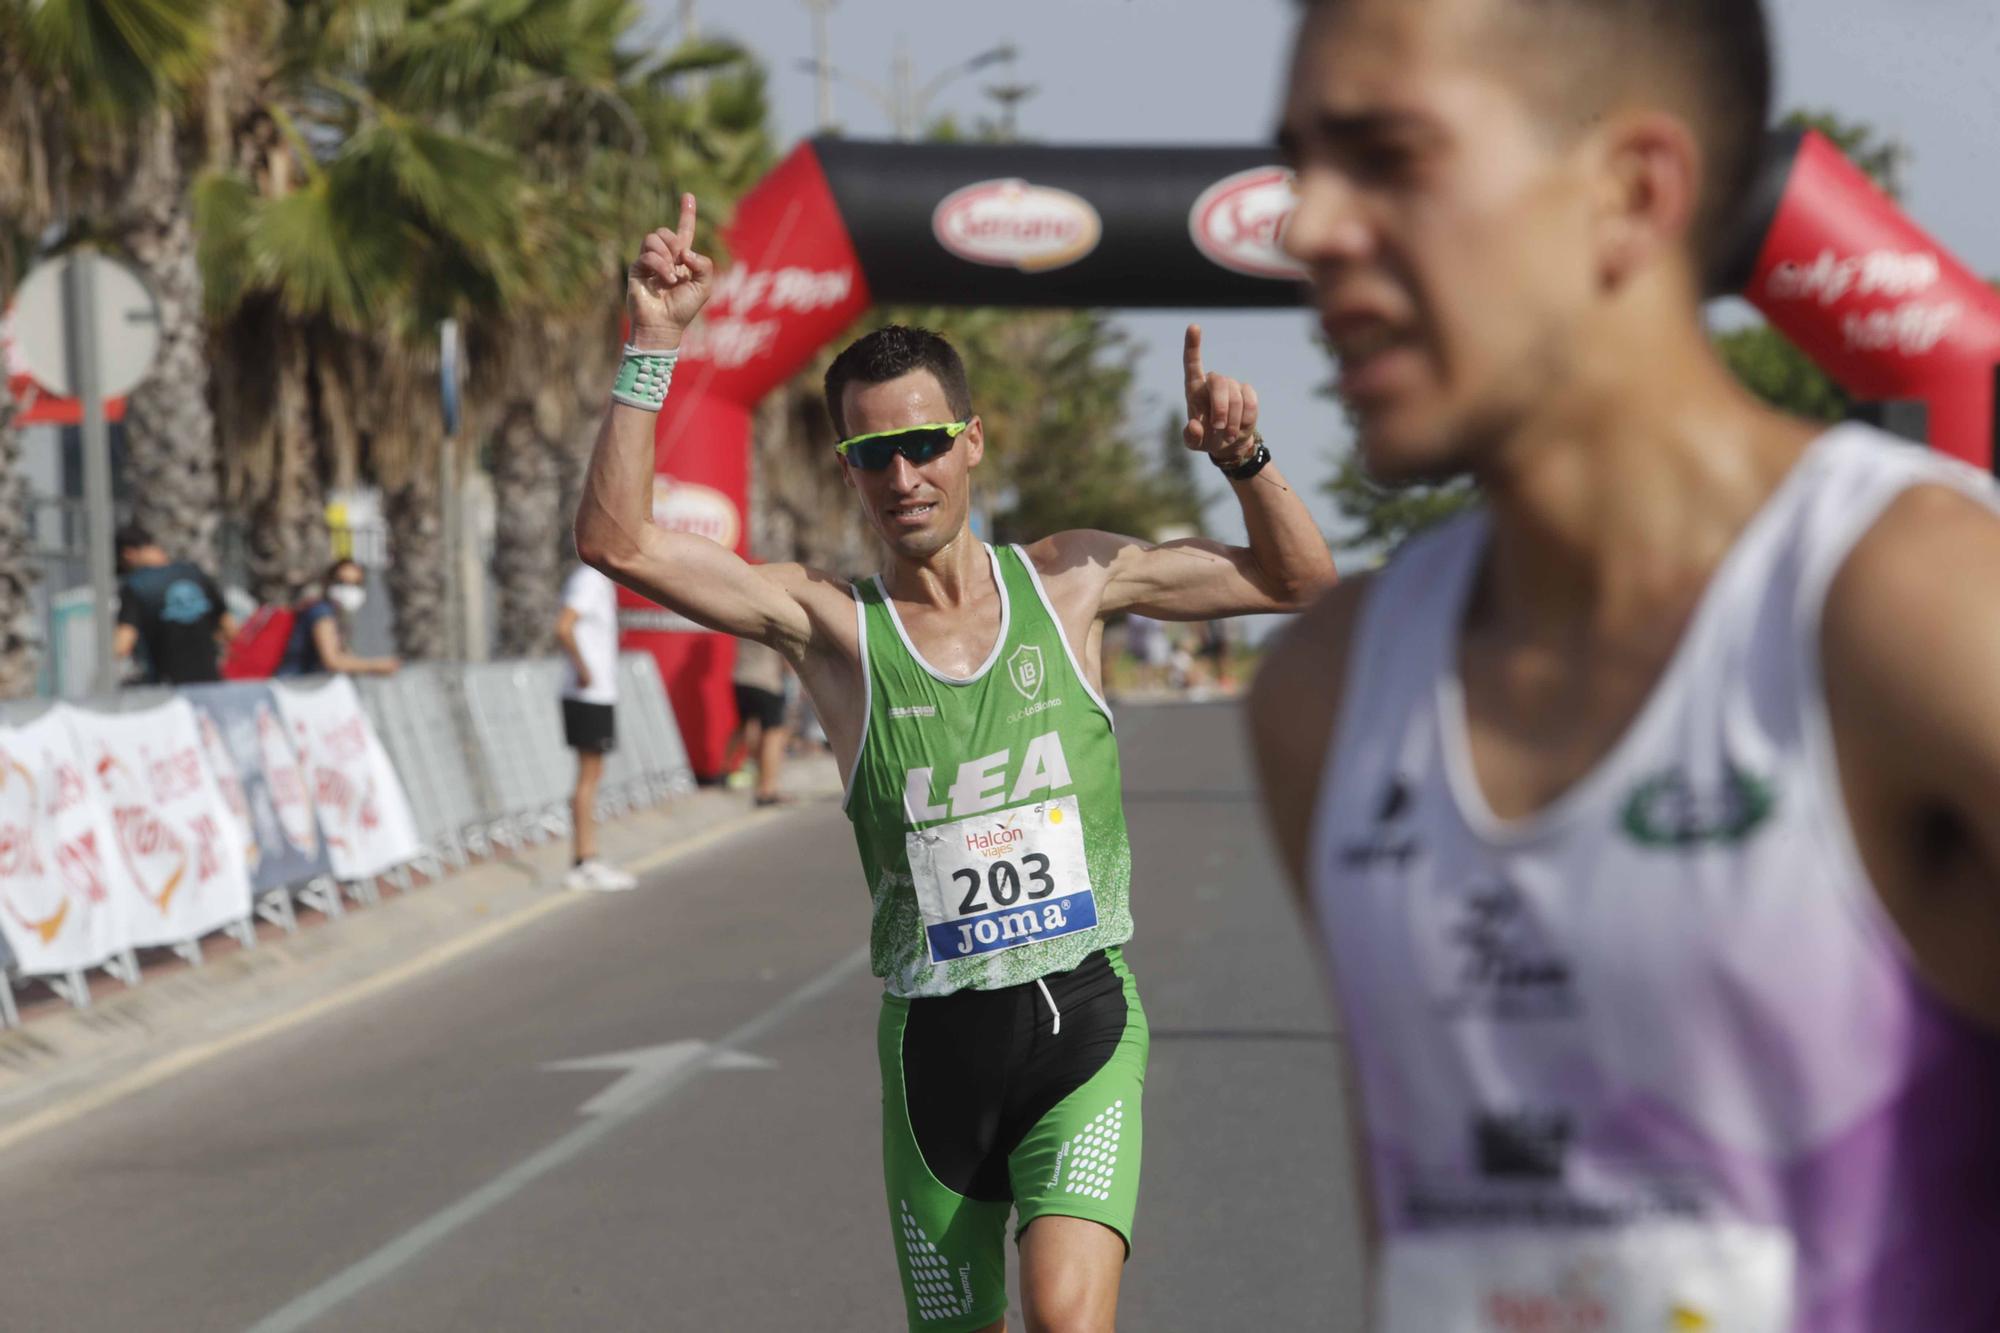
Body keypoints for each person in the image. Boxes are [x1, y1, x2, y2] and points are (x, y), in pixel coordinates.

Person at [1248, 1, 2000, 1328]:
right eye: (1301, 161)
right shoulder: (1325, 694)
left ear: (1631, 192)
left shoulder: (1916, 611)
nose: (1306, 226)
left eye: (1386, 155)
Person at [575, 196, 1336, 1333]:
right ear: (848, 469)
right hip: (935, 1049)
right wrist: (652, 347)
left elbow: (1296, 585)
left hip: (1083, 1016)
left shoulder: (1071, 581)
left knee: (1068, 1321)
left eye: (924, 443)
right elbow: (617, 543)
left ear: (970, 443)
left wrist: (1245, 460)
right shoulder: (830, 626)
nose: (903, 475)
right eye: (871, 453)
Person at [555, 561, 637, 892]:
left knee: (593, 775)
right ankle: (584, 861)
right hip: (587, 693)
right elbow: (563, 626)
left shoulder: (600, 582)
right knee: (588, 778)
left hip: (597, 693)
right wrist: (583, 668)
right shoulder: (589, 579)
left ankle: (587, 857)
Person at [113, 523, 237, 685]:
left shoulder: (135, 585)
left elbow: (123, 644)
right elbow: (230, 630)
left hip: (167, 690)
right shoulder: (196, 573)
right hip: (210, 684)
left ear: (128, 554)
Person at [275, 558, 399, 677]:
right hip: (295, 687)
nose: (348, 589)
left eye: (355, 583)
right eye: (342, 582)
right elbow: (332, 661)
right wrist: (376, 666)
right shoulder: (321, 612)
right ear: (329, 582)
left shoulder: (337, 615)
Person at [727, 636, 792, 806]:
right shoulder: (773, 617)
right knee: (773, 736)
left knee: (744, 727)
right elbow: (787, 661)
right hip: (767, 681)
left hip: (741, 677)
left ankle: (723, 771)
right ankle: (767, 790)